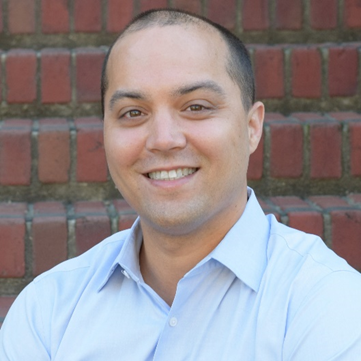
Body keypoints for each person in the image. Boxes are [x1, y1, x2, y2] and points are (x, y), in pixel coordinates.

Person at [1, 9, 361, 360]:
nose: (163, 139)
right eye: (133, 112)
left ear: (252, 128)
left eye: (196, 107)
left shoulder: (326, 303)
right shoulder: (47, 310)